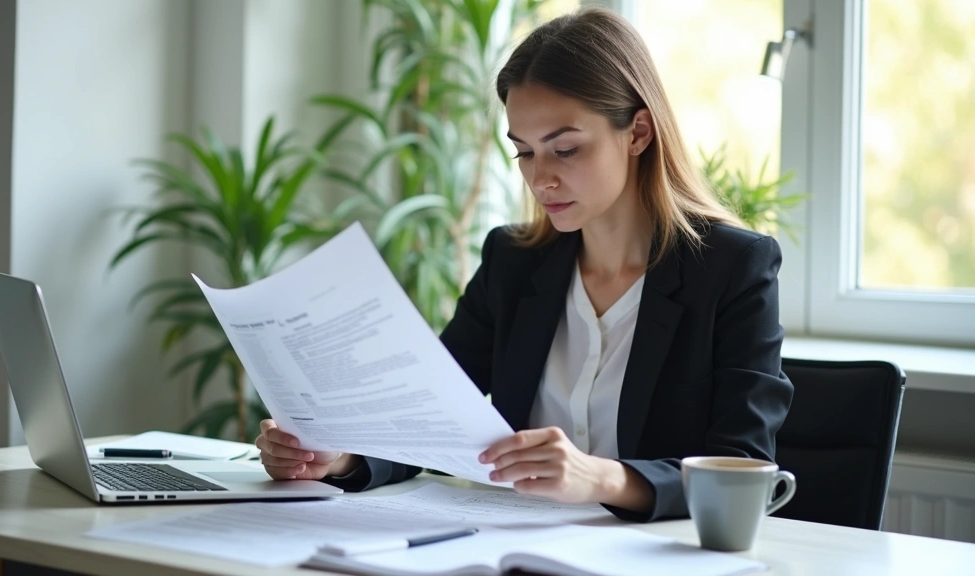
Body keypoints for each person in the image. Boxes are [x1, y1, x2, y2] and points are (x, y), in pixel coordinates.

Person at [255, 6, 793, 522]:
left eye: (566, 149)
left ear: (638, 132)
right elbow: (428, 421)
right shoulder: (511, 263)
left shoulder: (732, 268)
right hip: (507, 548)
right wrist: (340, 458)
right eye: (525, 152)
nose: (540, 179)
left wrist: (602, 478)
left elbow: (745, 467)